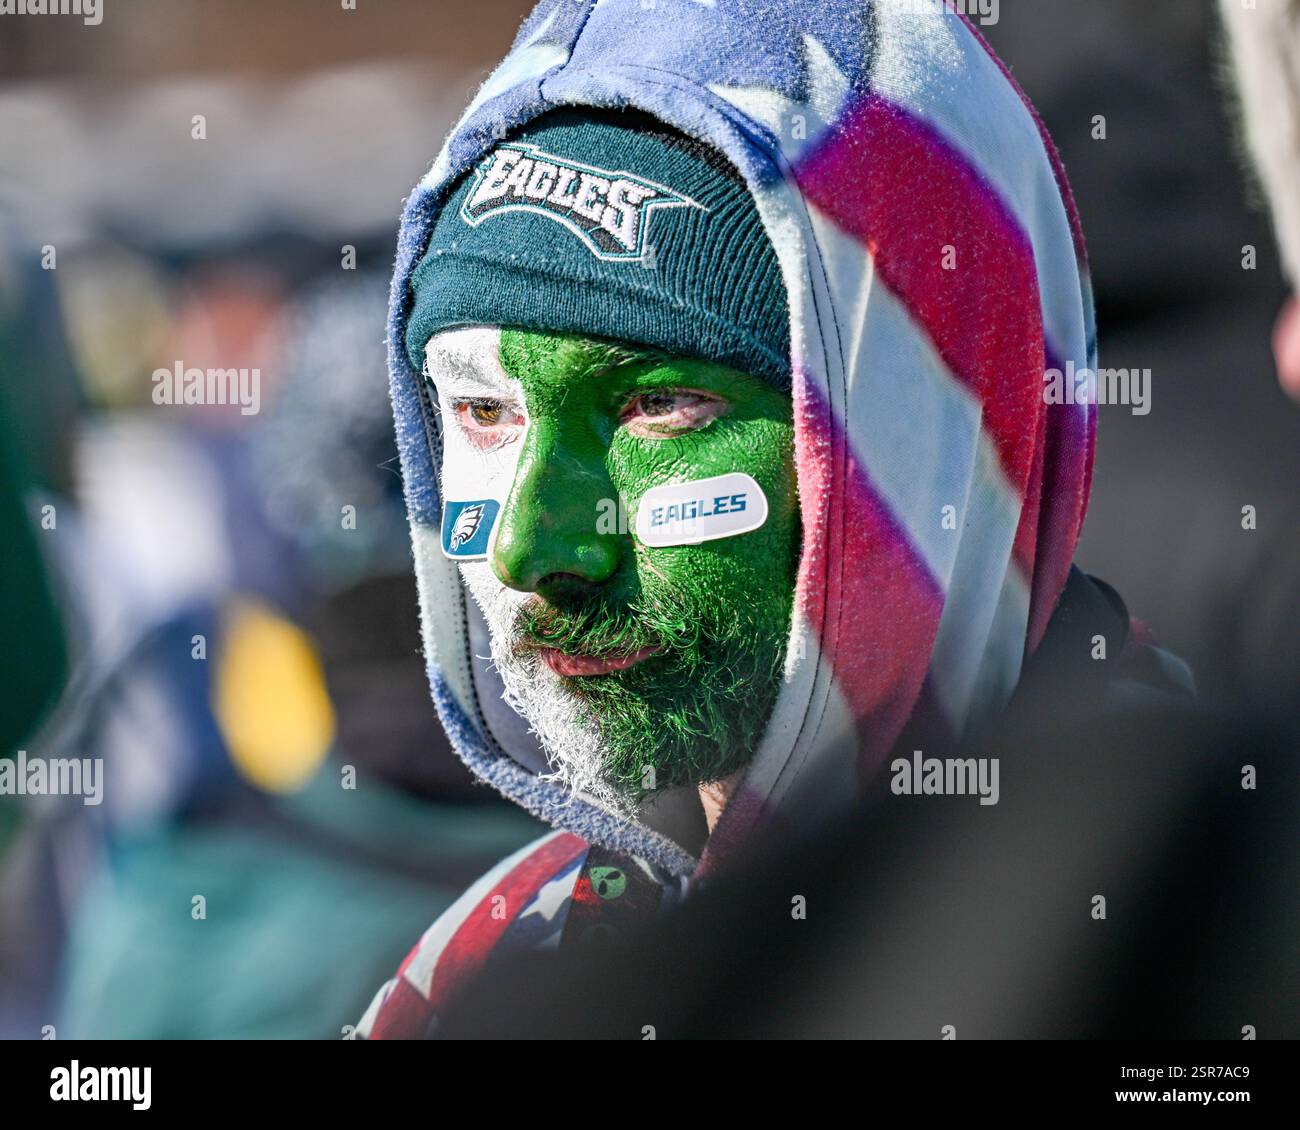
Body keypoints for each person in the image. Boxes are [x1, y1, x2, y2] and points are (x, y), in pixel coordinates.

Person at [358, 0, 1191, 1039]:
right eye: (484, 411)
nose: (537, 547)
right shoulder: (480, 967)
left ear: (917, 421)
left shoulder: (1207, 926)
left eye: (658, 406)